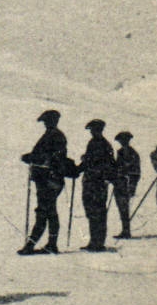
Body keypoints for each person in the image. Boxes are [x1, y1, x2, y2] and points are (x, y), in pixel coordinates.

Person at [19, 109, 69, 255]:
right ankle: (50, 244)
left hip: (50, 180)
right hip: (47, 180)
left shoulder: (55, 136)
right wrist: (32, 157)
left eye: (47, 121)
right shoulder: (52, 135)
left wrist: (33, 158)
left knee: (44, 211)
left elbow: (52, 158)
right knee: (49, 211)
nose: (46, 124)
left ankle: (32, 244)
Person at [75, 119, 115, 251]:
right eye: (92, 130)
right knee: (92, 212)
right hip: (90, 182)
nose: (92, 132)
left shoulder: (102, 144)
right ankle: (94, 242)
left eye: (94, 129)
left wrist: (79, 167)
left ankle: (98, 243)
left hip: (97, 183)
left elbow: (105, 164)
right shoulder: (94, 143)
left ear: (99, 130)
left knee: (97, 212)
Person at [113, 132, 140, 240]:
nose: (122, 142)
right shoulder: (120, 152)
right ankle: (125, 230)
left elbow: (136, 172)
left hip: (126, 184)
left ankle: (126, 231)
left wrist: (132, 186)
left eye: (124, 140)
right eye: (121, 141)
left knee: (124, 208)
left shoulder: (133, 153)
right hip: (119, 184)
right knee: (121, 208)